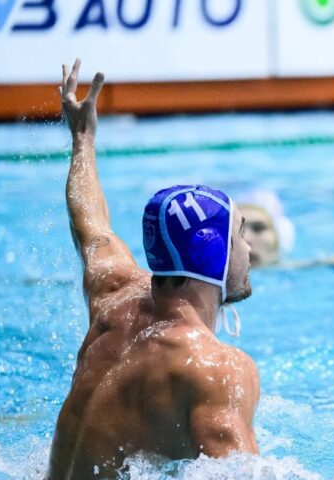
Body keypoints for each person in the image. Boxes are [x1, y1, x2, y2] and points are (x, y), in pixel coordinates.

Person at [47, 60, 260, 479]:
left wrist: (83, 139)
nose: (249, 248)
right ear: (212, 251)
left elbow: (92, 226)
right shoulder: (214, 368)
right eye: (239, 235)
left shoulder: (114, 293)